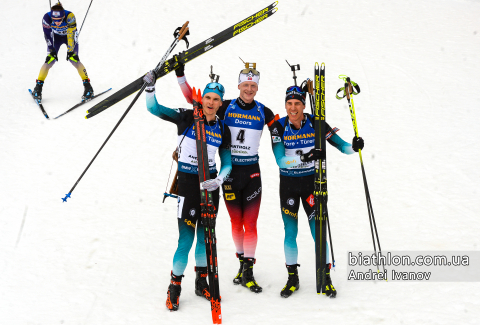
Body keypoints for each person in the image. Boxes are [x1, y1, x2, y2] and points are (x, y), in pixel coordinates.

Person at [174, 62, 279, 293]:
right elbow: (194, 101)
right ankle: (241, 263)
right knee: (235, 223)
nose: (249, 89)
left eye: (253, 85)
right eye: (245, 85)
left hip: (252, 172)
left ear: (257, 88)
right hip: (229, 175)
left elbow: (283, 130)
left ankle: (247, 270)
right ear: (239, 85)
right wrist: (181, 77)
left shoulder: (265, 111)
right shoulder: (224, 106)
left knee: (250, 224)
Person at [143, 69, 232, 311]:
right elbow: (155, 109)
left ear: (220, 104)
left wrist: (219, 180)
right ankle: (174, 287)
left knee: (206, 237)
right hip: (188, 185)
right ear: (202, 99)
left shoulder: (223, 129)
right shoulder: (187, 117)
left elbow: (228, 162)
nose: (212, 103)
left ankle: (201, 280)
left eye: (216, 100)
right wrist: (150, 88)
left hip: (210, 185)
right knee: (186, 239)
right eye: (208, 98)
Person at [269, 84, 364, 298]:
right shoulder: (278, 127)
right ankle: (292, 277)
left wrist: (355, 146)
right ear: (285, 105)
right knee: (290, 233)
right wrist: (305, 157)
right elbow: (280, 161)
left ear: (304, 105)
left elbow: (341, 146)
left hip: (313, 184)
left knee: (318, 233)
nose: (293, 108)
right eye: (289, 103)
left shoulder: (316, 123)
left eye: (298, 104)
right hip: (289, 186)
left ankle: (326, 277)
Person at [32, 2, 93, 103]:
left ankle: (88, 88)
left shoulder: (70, 17)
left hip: (69, 36)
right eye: (54, 20)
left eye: (59, 20)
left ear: (63, 16)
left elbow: (71, 34)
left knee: (74, 60)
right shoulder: (46, 18)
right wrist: (51, 50)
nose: (57, 23)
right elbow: (47, 35)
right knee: (49, 61)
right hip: (56, 38)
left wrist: (70, 51)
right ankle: (38, 88)